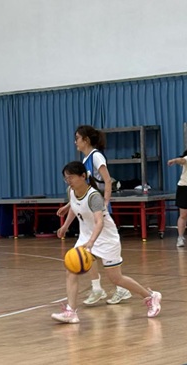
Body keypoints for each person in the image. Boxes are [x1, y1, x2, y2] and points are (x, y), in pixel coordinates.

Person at [51, 161, 161, 323]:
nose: (68, 181)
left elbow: (99, 222)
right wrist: (65, 226)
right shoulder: (71, 191)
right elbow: (75, 206)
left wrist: (91, 242)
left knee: (116, 279)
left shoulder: (94, 196)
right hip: (86, 237)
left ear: (83, 176)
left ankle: (151, 296)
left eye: (71, 177)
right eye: (66, 178)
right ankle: (71, 312)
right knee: (71, 270)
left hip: (106, 239)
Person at [57, 125, 131, 306]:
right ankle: (97, 288)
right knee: (88, 250)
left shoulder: (96, 156)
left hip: (99, 205)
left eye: (77, 138)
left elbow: (107, 180)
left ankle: (121, 287)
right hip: (91, 205)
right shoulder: (86, 159)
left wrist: (105, 201)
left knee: (103, 248)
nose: (75, 141)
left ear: (86, 140)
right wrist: (69, 205)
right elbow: (84, 190)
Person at [167, 146, 187, 247]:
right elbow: (182, 160)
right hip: (185, 188)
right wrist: (174, 160)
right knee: (183, 215)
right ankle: (180, 238)